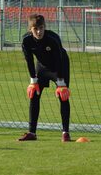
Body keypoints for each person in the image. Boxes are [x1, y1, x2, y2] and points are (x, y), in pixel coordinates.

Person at [18, 14, 72, 142]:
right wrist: (33, 81)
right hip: (41, 67)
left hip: (59, 67)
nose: (39, 31)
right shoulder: (26, 40)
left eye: (41, 28)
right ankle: (32, 132)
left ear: (44, 27)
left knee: (63, 96)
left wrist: (61, 82)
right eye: (35, 29)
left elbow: (59, 59)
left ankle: (66, 133)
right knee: (33, 95)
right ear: (30, 29)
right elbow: (29, 60)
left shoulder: (53, 39)